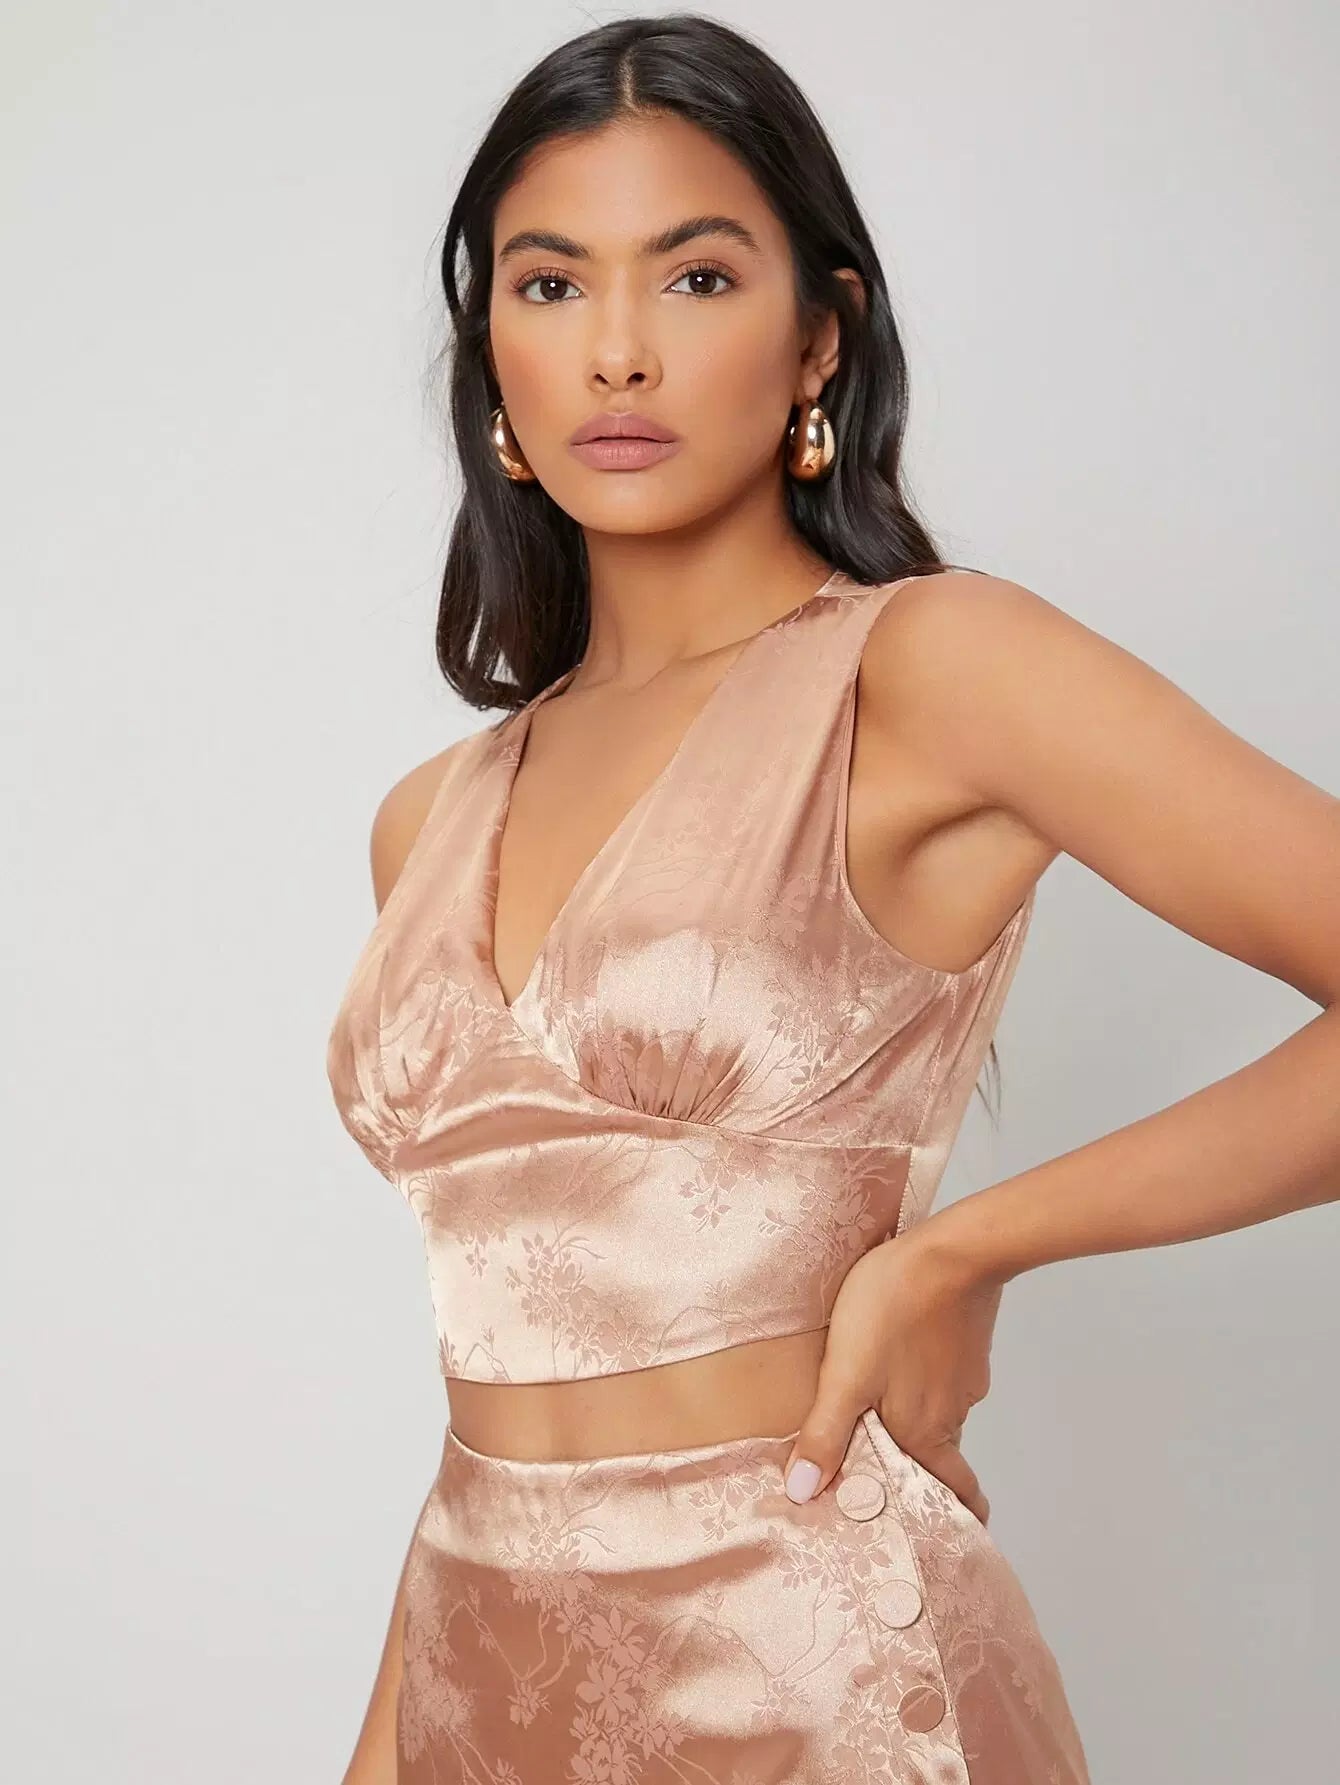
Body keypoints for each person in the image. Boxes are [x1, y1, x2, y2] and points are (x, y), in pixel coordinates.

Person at [325, 15, 1340, 1784]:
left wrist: (965, 1248)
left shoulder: (930, 670)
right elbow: (501, 1425)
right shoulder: (428, 822)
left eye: (696, 277)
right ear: (491, 354)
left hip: (827, 1691)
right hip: (480, 1686)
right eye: (551, 286)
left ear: (820, 336)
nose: (618, 350)